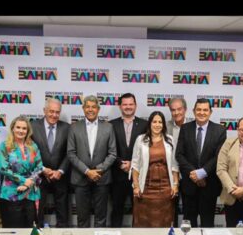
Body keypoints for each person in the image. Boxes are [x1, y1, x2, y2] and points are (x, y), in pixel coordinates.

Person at [175, 98, 226, 227]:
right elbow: (179, 154)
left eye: (205, 110)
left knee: (207, 224)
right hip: (189, 185)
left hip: (209, 185)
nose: (202, 113)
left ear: (210, 112)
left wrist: (202, 173)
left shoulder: (220, 130)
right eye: (198, 109)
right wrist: (195, 174)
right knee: (188, 224)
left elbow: (219, 156)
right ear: (193, 111)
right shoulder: (185, 128)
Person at [67, 95, 117, 228]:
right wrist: (87, 171)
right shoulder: (74, 127)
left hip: (102, 178)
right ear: (83, 108)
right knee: (82, 219)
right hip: (80, 178)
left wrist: (97, 170)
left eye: (93, 107)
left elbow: (112, 153)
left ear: (98, 109)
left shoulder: (108, 127)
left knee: (101, 219)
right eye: (87, 107)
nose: (90, 110)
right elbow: (71, 153)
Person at [130, 111, 179, 227]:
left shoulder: (170, 140)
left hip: (165, 188)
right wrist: (136, 186)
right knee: (143, 222)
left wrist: (175, 185)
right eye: (154, 122)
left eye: (160, 122)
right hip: (145, 187)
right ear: (150, 123)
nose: (157, 125)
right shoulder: (141, 139)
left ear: (163, 124)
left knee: (165, 222)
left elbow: (174, 165)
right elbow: (135, 165)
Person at [0, 117, 44, 228]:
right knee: (13, 230)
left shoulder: (33, 146)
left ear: (28, 131)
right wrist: (23, 181)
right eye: (18, 127)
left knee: (30, 229)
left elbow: (39, 167)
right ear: (12, 128)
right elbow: (3, 168)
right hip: (11, 193)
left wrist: (28, 183)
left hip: (30, 194)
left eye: (24, 128)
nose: (21, 131)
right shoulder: (5, 146)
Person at [31, 98, 70, 227]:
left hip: (60, 176)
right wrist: (42, 169)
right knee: (37, 213)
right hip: (39, 175)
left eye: (57, 112)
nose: (54, 115)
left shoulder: (67, 128)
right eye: (51, 111)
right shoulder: (32, 126)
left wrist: (60, 171)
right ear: (44, 110)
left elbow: (70, 152)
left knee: (63, 212)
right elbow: (29, 152)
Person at [109, 93, 147, 227]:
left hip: (138, 175)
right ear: (120, 106)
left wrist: (132, 164)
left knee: (139, 210)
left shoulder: (145, 125)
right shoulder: (111, 125)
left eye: (131, 104)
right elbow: (107, 149)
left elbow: (147, 149)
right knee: (116, 209)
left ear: (135, 106)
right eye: (125, 104)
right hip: (117, 175)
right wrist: (120, 163)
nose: (128, 107)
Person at [167, 97, 187, 226]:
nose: (176, 113)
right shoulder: (165, 127)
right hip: (169, 175)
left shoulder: (193, 126)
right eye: (173, 110)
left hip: (188, 174)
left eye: (179, 109)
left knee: (188, 209)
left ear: (185, 109)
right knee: (170, 210)